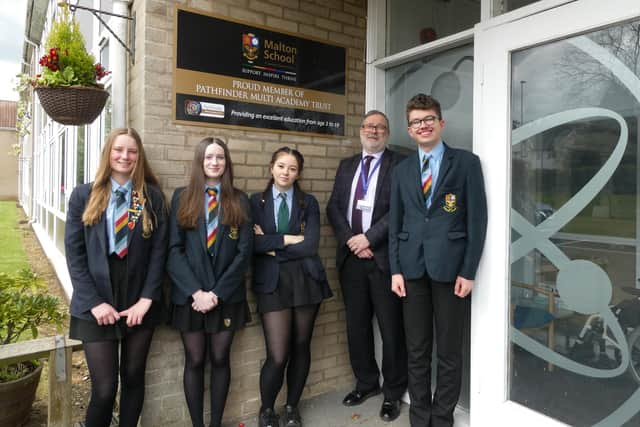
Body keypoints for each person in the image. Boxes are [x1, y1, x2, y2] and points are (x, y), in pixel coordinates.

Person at [389, 94, 487, 427]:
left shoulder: (466, 163)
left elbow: (477, 220)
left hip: (450, 271)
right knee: (417, 351)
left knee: (448, 352)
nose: (423, 125)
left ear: (441, 123)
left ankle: (442, 417)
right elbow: (395, 223)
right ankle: (420, 418)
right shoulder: (401, 170)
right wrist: (395, 269)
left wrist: (469, 270)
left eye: (428, 118)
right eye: (416, 121)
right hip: (411, 270)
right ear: (410, 129)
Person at [65, 127, 168, 427]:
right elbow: (75, 254)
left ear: (139, 156)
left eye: (132, 151)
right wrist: (95, 302)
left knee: (134, 378)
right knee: (105, 388)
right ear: (108, 153)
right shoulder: (84, 195)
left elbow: (159, 253)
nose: (125, 156)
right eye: (118, 150)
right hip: (95, 301)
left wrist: (146, 300)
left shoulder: (151, 198)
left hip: (138, 302)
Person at [326, 110, 407, 421]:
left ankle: (393, 393)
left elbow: (401, 209)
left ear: (387, 133)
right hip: (351, 260)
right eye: (369, 126)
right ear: (360, 130)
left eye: (381, 127)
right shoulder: (347, 165)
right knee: (356, 326)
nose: (374, 131)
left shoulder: (399, 164)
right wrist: (351, 240)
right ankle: (366, 383)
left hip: (384, 259)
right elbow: (334, 206)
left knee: (391, 329)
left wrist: (369, 239)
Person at [166, 137, 252, 427]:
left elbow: (244, 253)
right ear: (200, 162)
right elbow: (173, 250)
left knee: (220, 359)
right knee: (194, 360)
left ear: (227, 163)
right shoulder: (182, 197)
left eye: (220, 157)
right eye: (209, 157)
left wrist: (215, 293)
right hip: (189, 296)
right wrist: (196, 292)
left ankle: (215, 423)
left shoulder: (240, 200)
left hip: (225, 296)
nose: (215, 162)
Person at [250, 147, 333, 427]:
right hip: (272, 284)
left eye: (293, 168)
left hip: (306, 281)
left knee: (301, 346)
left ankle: (292, 408)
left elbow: (310, 245)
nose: (286, 172)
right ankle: (267, 410)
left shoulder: (307, 202)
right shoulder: (255, 202)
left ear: (299, 173)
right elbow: (253, 245)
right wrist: (288, 239)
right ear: (271, 167)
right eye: (281, 166)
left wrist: (272, 244)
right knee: (277, 354)